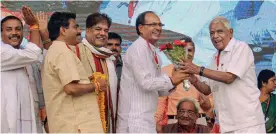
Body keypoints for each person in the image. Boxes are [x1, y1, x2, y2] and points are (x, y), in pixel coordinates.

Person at [181, 16, 265, 133]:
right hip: (226, 125)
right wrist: (192, 78)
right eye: (211, 33)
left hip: (247, 124)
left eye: (220, 31)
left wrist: (197, 69)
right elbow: (207, 89)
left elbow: (229, 77)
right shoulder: (214, 57)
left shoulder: (241, 48)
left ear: (230, 32)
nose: (215, 36)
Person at [116, 11, 190, 133]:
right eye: (153, 24)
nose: (158, 28)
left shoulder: (153, 51)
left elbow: (160, 90)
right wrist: (171, 80)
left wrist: (176, 80)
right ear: (141, 28)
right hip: (135, 120)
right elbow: (146, 83)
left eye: (160, 25)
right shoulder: (138, 49)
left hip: (147, 119)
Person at [41, 12, 107, 133]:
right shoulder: (62, 52)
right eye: (75, 27)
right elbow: (70, 88)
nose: (79, 31)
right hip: (76, 126)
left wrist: (87, 80)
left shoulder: (56, 50)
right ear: (63, 30)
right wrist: (96, 85)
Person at [67, 12, 117, 133]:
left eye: (106, 30)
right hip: (85, 120)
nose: (102, 33)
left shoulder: (109, 57)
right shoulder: (75, 51)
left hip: (108, 118)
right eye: (98, 29)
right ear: (88, 30)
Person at [155, 37, 212, 132]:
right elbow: (161, 101)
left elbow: (210, 100)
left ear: (194, 52)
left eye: (190, 50)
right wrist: (155, 123)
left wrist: (208, 107)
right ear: (176, 52)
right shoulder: (165, 71)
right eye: (183, 50)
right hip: (174, 122)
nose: (187, 53)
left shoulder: (201, 72)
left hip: (199, 122)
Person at [1, 6, 42, 133]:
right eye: (9, 29)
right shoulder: (2, 52)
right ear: (1, 33)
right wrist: (34, 27)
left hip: (27, 118)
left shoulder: (21, 54)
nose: (14, 33)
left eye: (18, 29)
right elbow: (34, 53)